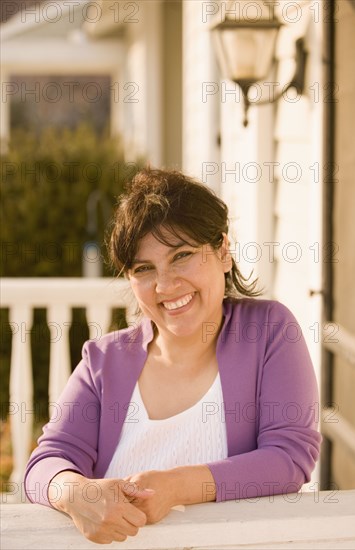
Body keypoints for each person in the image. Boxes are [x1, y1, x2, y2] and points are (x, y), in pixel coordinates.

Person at [24, 168, 321, 544]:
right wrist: (74, 493)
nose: (165, 285)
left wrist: (176, 487)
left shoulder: (269, 332)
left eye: (181, 256)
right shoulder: (103, 361)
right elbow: (46, 463)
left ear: (223, 251)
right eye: (144, 269)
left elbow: (289, 458)